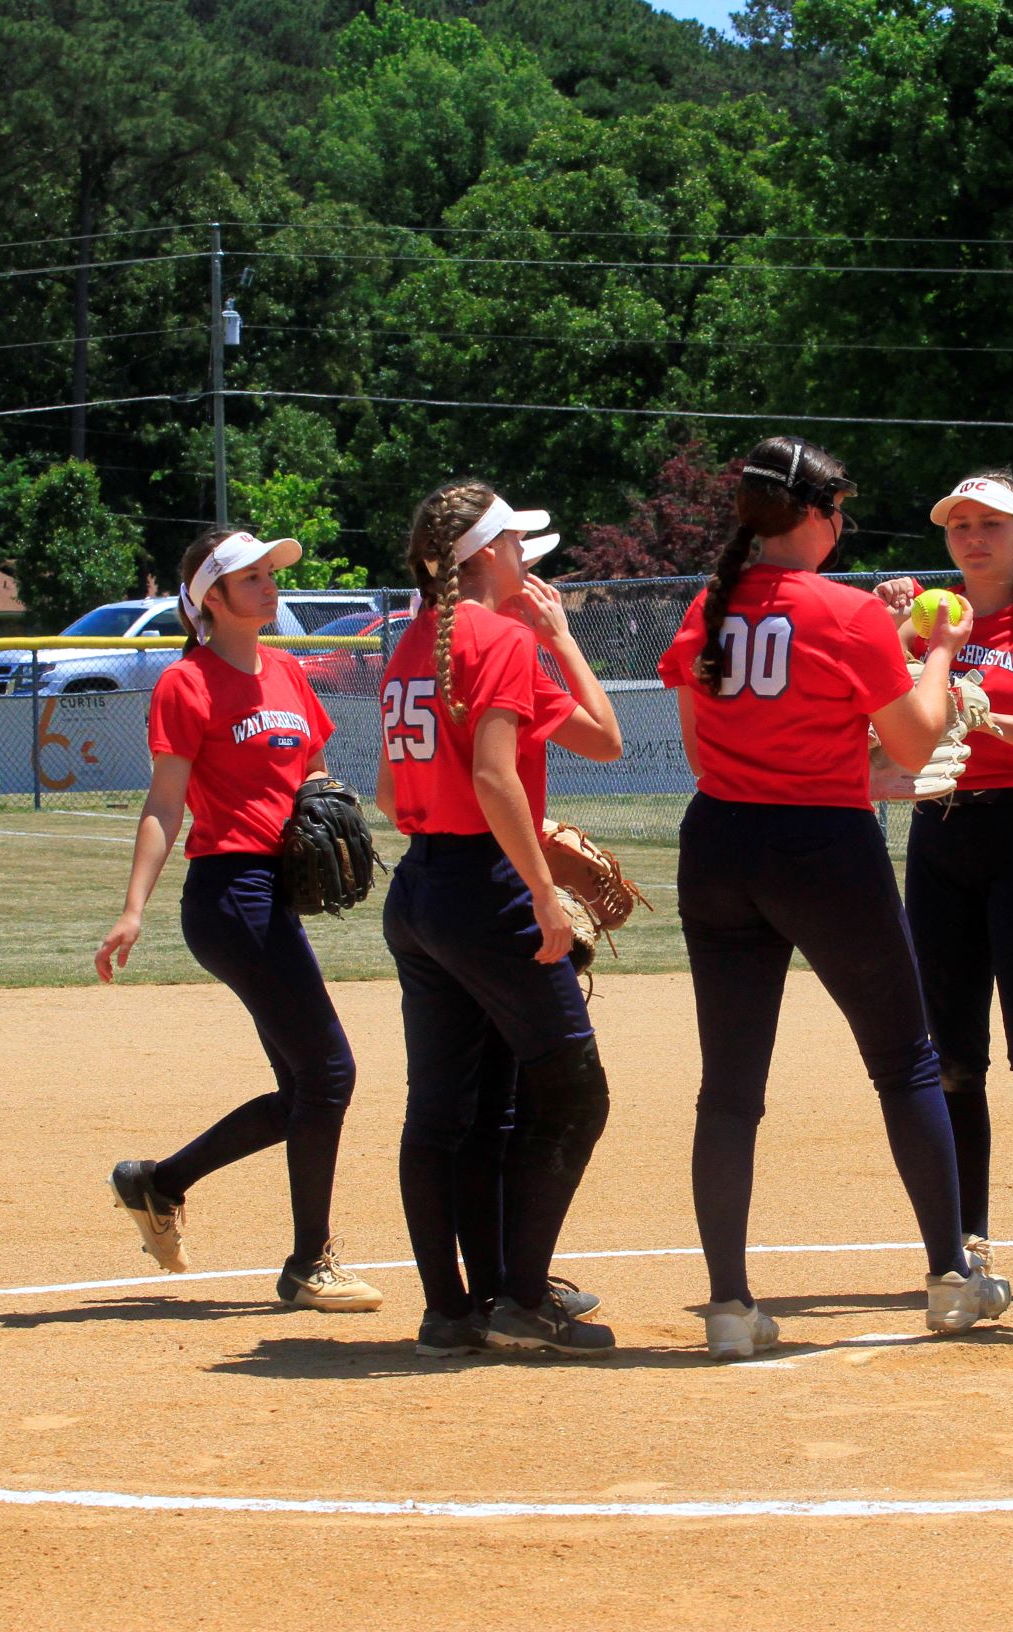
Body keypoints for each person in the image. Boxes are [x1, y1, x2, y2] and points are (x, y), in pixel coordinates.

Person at [658, 434, 1012, 1360]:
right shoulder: (846, 610)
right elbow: (911, 737)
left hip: (720, 842)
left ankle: (729, 1307)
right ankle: (951, 1278)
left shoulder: (709, 606)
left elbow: (703, 749)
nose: (842, 526)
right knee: (903, 1061)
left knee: (729, 1091)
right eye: (838, 510)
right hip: (823, 847)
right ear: (813, 515)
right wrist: (940, 652)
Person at [97, 527, 380, 1313]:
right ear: (208, 600)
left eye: (268, 574)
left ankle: (158, 1183)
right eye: (248, 577)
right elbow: (163, 803)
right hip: (227, 894)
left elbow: (311, 767)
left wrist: (326, 801)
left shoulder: (288, 672)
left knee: (306, 1088)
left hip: (274, 892)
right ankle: (308, 1263)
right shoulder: (185, 684)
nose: (267, 585)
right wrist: (131, 911)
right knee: (329, 1074)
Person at [376, 481, 626, 1358]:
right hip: (484, 893)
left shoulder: (413, 641)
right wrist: (537, 891)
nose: (527, 561)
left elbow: (386, 790)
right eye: (517, 546)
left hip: (418, 893)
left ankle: (454, 1310)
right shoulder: (499, 638)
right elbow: (497, 778)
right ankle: (521, 1296)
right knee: (573, 1093)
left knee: (451, 1114)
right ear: (487, 556)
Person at [871, 472, 1013, 1301]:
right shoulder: (929, 619)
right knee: (952, 1056)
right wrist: (886, 623)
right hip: (938, 832)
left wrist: (988, 718)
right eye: (958, 525)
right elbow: (877, 712)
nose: (971, 539)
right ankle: (967, 1237)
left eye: (988, 525)